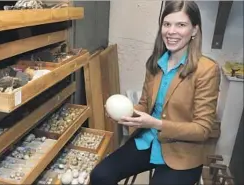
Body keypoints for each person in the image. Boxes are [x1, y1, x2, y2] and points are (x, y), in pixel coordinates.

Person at [90, 1, 221, 185]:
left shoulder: (207, 70)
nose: (171, 31)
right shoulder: (155, 63)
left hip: (182, 154)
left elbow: (203, 129)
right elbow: (144, 104)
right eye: (167, 24)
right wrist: (124, 113)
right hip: (148, 140)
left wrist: (157, 123)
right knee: (100, 175)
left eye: (181, 25)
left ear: (194, 30)